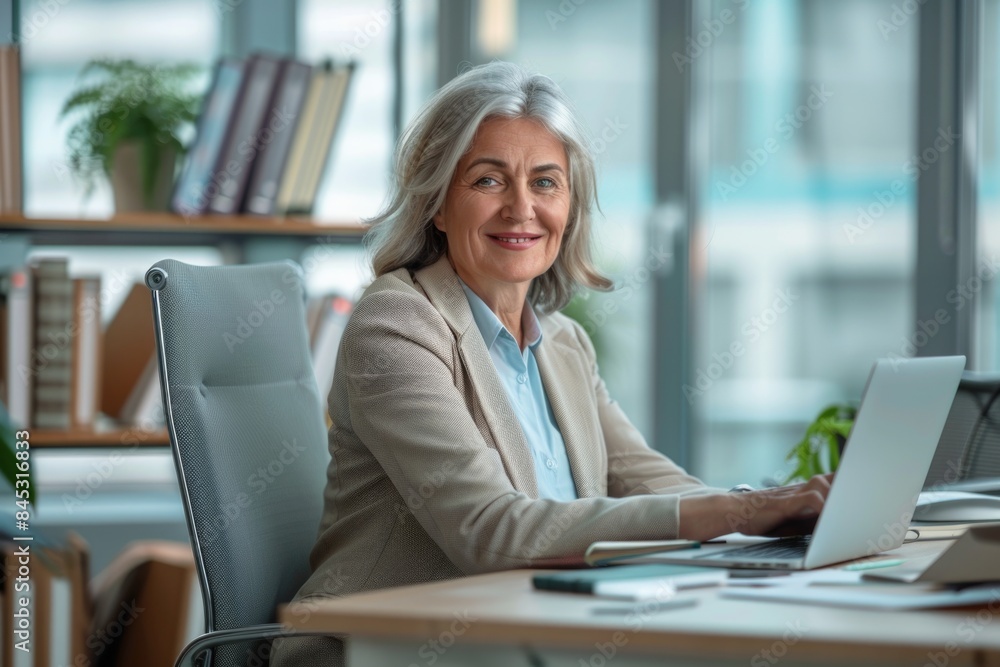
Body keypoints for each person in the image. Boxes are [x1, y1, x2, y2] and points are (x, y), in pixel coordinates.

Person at [270, 61, 830, 667]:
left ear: (569, 205)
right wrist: (735, 514)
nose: (521, 209)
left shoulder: (564, 343)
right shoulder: (398, 324)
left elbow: (645, 479)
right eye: (488, 181)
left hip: (540, 636)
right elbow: (491, 531)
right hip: (389, 650)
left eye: (544, 182)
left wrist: (765, 515)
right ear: (436, 203)